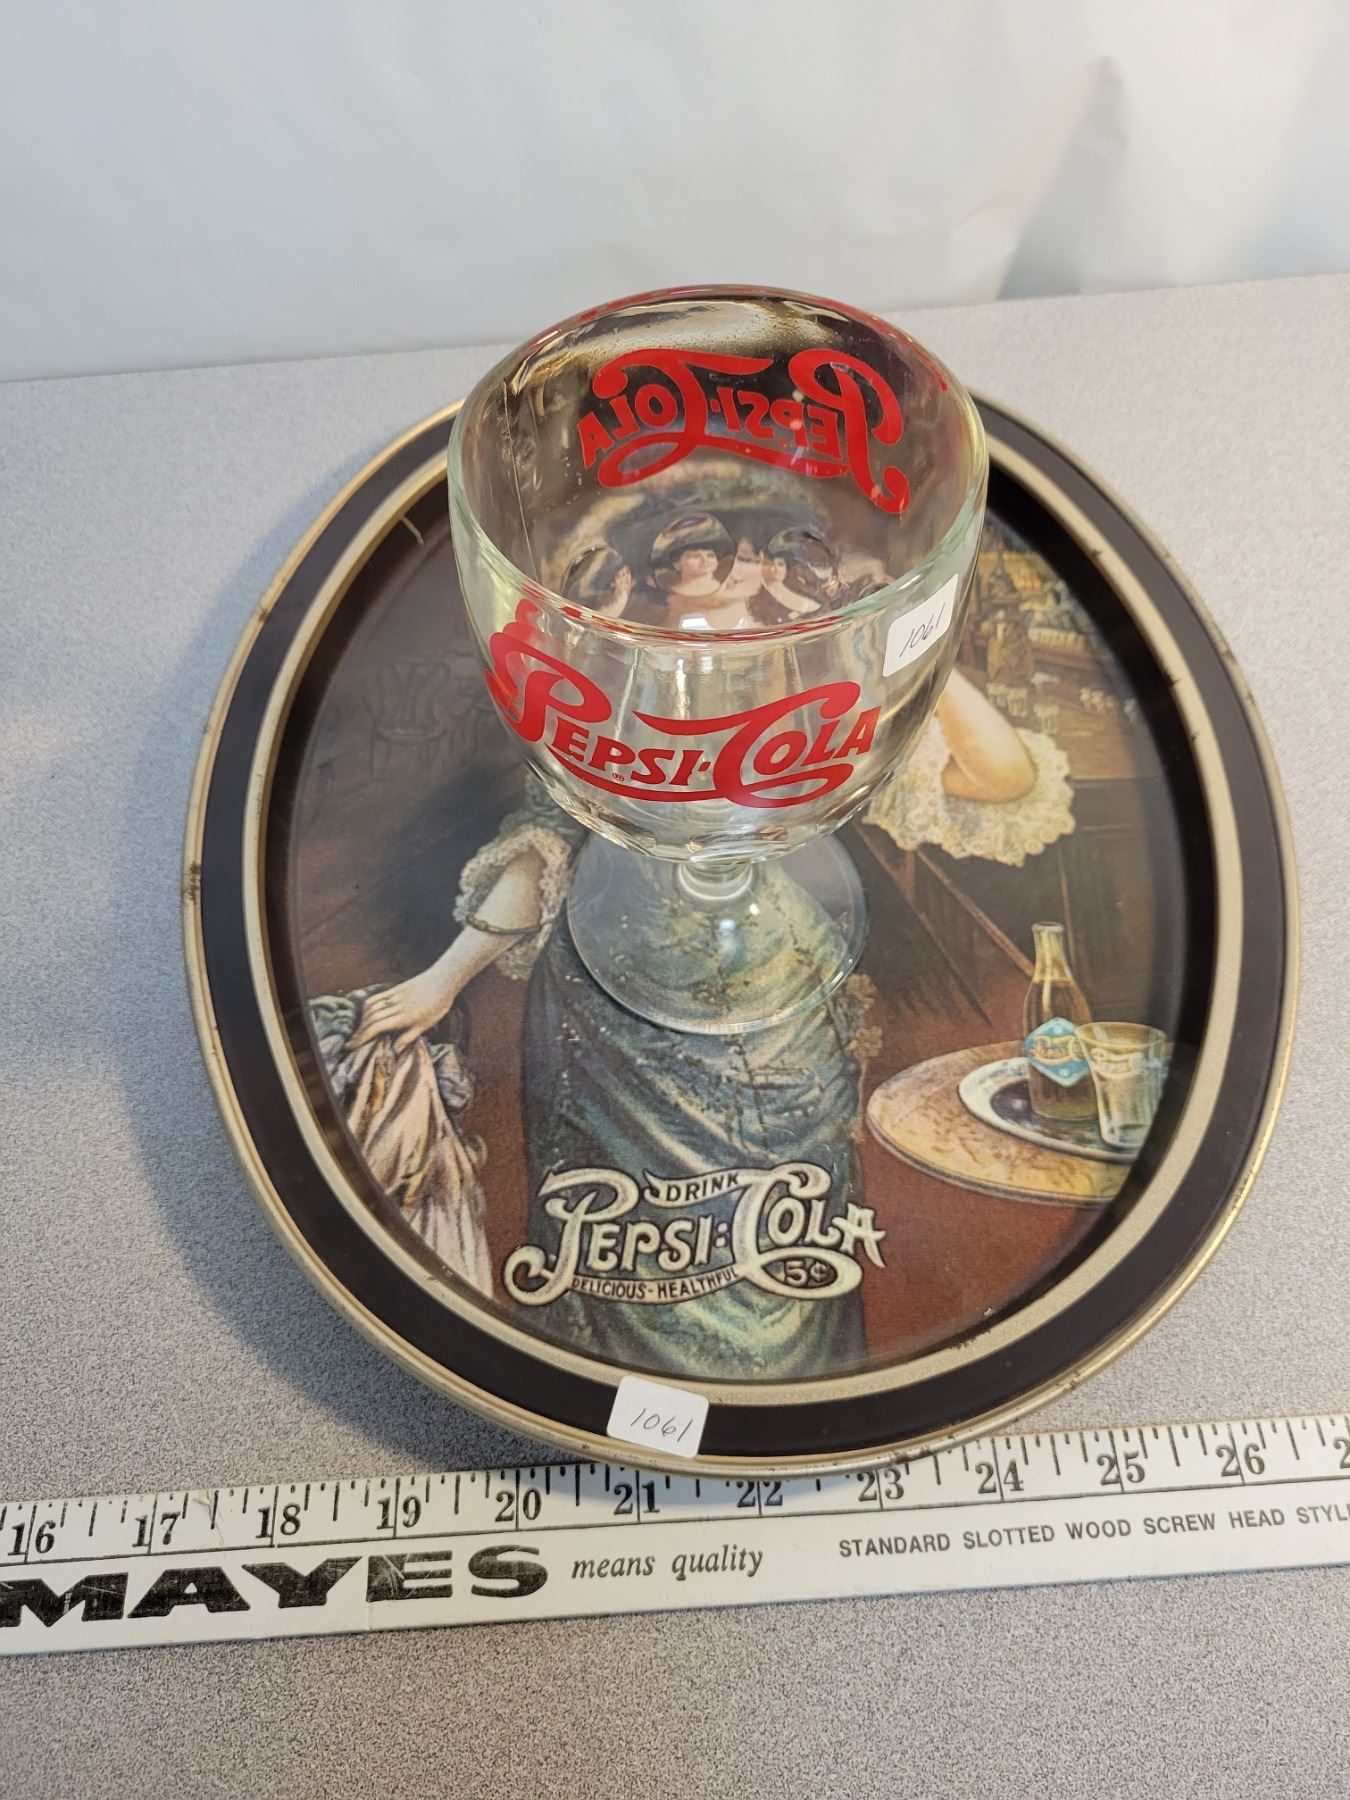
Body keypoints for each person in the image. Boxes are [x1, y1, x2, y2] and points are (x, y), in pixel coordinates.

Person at [348, 664, 1068, 1380]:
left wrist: (915, 649)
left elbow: (999, 778)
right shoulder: (601, 678)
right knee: (624, 1249)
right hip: (613, 1025)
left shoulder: (814, 680)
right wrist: (442, 981)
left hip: (779, 1005)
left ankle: (790, 1415)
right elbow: (544, 846)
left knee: (790, 1238)